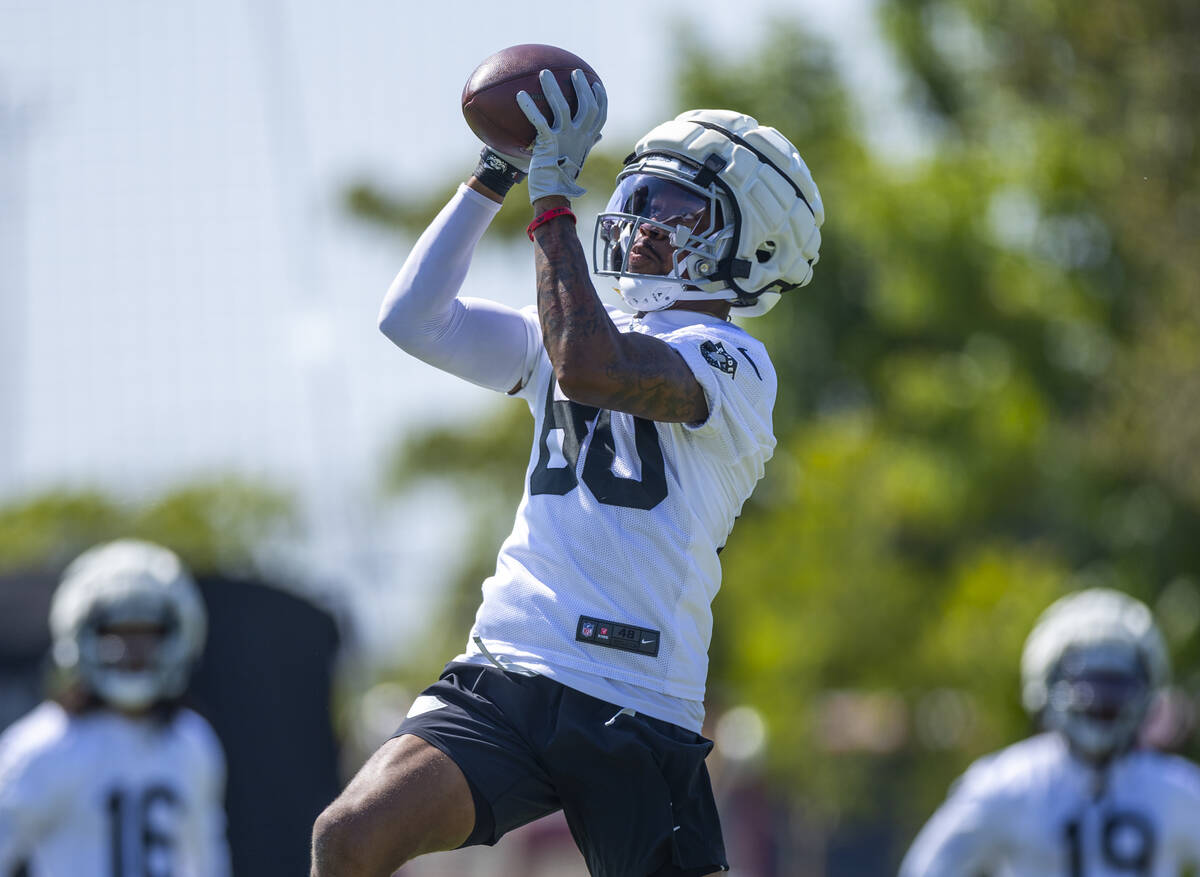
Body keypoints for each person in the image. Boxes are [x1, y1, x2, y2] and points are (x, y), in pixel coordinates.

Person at [311, 69, 823, 877]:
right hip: (511, 663)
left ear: (752, 248)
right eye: (643, 201)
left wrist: (550, 205)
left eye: (680, 211)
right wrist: (495, 174)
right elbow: (412, 318)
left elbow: (589, 367)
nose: (646, 225)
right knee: (350, 836)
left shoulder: (734, 363)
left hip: (635, 691)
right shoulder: (577, 327)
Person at [900, 587, 1200, 876]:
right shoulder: (1008, 785)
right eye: (1088, 689)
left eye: (1116, 688)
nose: (1101, 702)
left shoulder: (1178, 789)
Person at [0, 539, 231, 876]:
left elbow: (206, 863)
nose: (132, 651)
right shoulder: (40, 747)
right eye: (116, 633)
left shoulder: (191, 740)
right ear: (80, 636)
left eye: (148, 634)